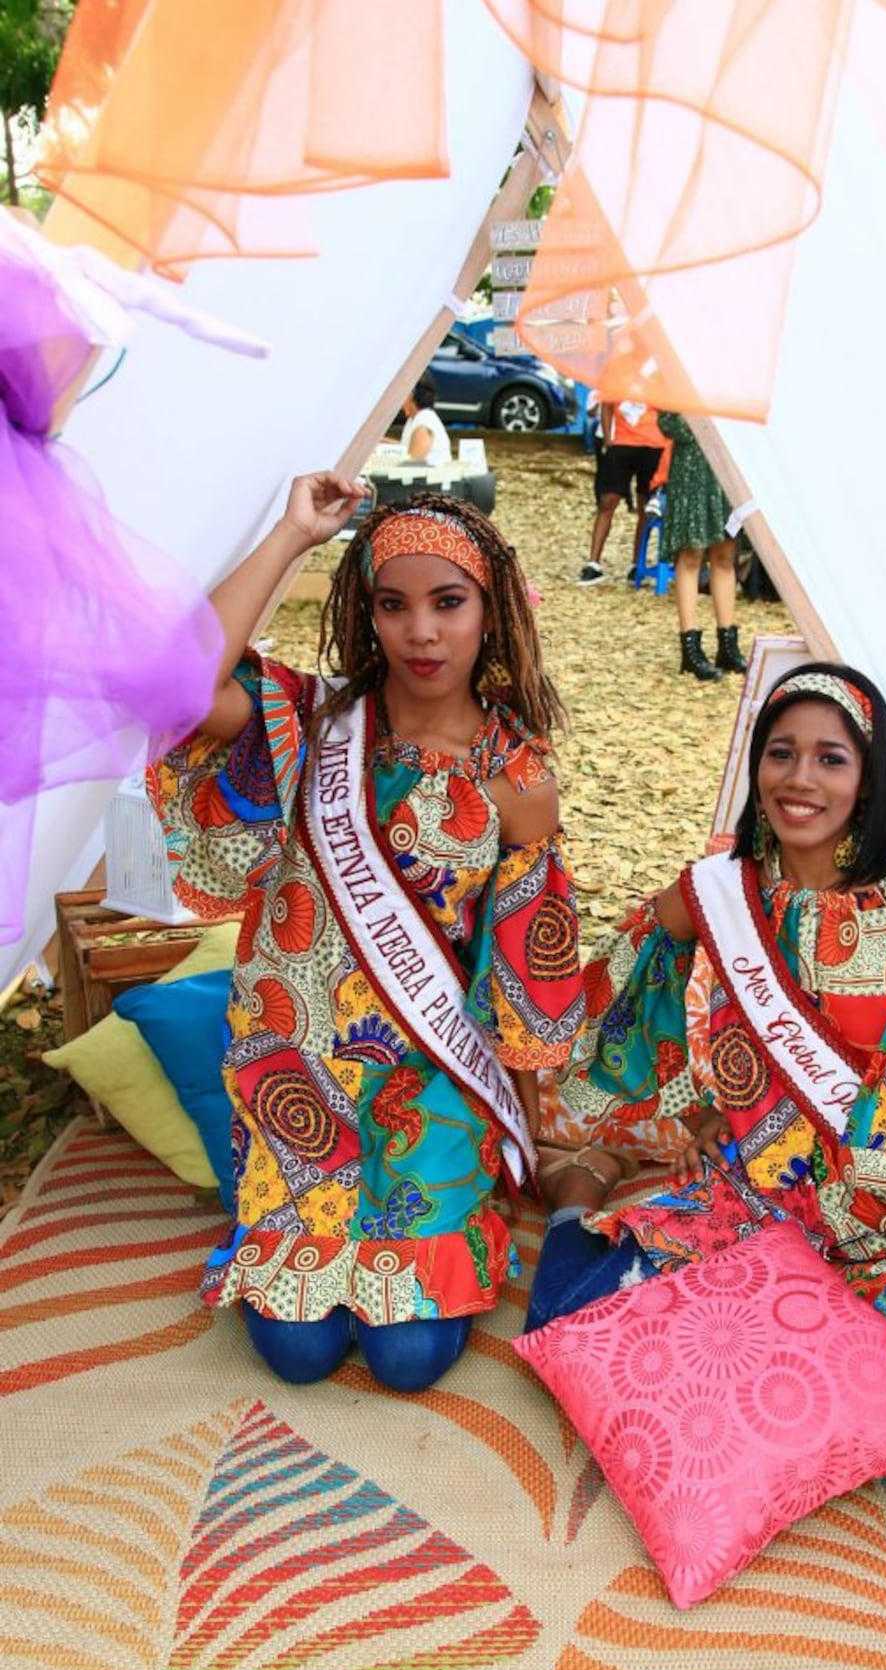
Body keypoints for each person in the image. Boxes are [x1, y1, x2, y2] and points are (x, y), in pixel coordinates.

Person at [150, 474, 585, 1391]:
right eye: (394, 605)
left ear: (491, 607)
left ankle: (439, 1231)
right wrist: (291, 535)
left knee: (408, 1357)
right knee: (299, 1355)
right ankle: (287, 1225)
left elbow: (523, 971)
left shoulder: (517, 777)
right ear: (368, 613)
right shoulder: (309, 724)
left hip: (428, 1089)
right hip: (295, 1075)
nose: (421, 632)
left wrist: (528, 1131)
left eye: (447, 602)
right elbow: (177, 686)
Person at [530, 663, 886, 1443]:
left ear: (868, 778)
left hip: (881, 1224)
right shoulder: (722, 889)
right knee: (569, 1320)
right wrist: (701, 1108)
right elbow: (641, 979)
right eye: (780, 753)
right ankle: (576, 1190)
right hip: (753, 1192)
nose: (800, 779)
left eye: (831, 757)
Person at [656, 411, 746, 681]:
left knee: (725, 555)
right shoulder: (678, 375)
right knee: (691, 554)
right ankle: (690, 648)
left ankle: (727, 644)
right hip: (692, 469)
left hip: (725, 466)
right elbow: (669, 423)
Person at [578, 400, 667, 585]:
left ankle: (637, 564)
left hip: (654, 444)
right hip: (622, 442)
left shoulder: (662, 373)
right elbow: (607, 404)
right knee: (608, 500)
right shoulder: (619, 372)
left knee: (646, 505)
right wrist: (609, 441)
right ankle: (594, 563)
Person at [398, 377, 452, 465]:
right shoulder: (414, 418)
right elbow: (405, 446)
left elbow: (412, 465)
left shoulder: (424, 421)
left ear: (410, 395)